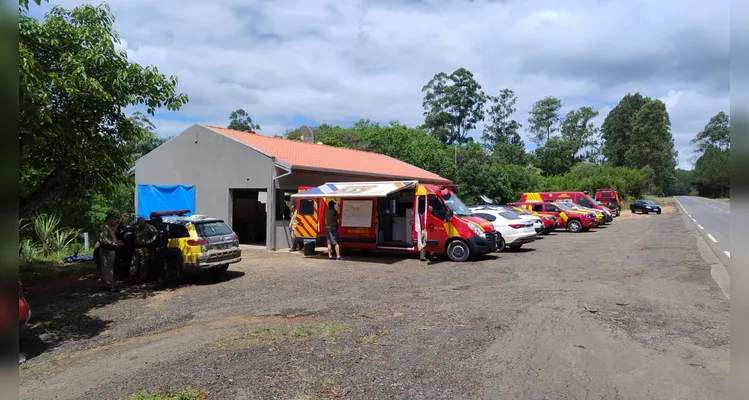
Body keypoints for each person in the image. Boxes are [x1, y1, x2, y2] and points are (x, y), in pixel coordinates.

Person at [97, 214, 122, 291]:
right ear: (110, 219)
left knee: (105, 268)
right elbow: (103, 240)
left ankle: (104, 284)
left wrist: (116, 242)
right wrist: (113, 244)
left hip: (108, 250)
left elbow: (109, 238)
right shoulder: (104, 227)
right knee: (108, 268)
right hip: (107, 251)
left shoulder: (108, 227)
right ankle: (109, 286)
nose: (115, 221)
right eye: (114, 219)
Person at [130, 217, 158, 283]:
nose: (139, 224)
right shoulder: (136, 228)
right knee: (133, 263)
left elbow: (156, 234)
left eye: (141, 222)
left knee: (143, 264)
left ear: (144, 222)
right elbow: (127, 229)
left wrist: (150, 241)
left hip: (145, 248)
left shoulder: (150, 227)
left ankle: (142, 278)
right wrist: (121, 224)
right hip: (136, 248)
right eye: (138, 223)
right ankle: (132, 277)